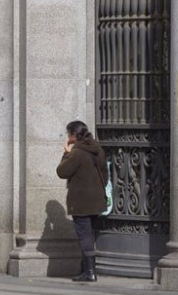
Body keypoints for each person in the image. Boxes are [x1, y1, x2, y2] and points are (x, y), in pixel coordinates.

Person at [56, 120, 108, 282]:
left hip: (81, 201)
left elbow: (62, 172)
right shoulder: (97, 149)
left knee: (84, 236)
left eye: (68, 133)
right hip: (96, 199)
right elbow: (105, 173)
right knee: (89, 234)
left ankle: (90, 272)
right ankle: (85, 269)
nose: (67, 136)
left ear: (73, 135)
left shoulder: (76, 152)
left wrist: (66, 153)